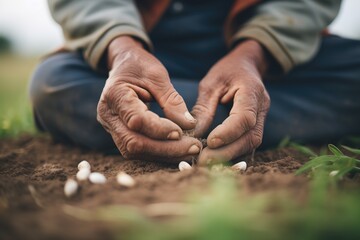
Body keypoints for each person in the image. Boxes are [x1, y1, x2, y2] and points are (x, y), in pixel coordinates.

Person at [29, 0, 360, 165]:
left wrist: (254, 55)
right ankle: (231, 116)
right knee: (53, 83)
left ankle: (177, 115)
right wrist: (122, 49)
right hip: (150, 47)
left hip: (267, 51)